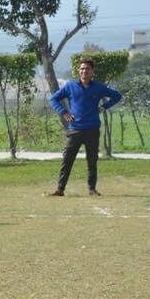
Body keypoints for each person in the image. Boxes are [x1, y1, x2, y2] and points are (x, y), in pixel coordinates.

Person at [48, 57, 122, 197]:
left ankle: (92, 190)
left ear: (92, 71)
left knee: (92, 161)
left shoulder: (98, 87)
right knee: (67, 160)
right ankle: (60, 189)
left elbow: (117, 96)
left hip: (92, 129)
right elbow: (53, 99)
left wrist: (104, 107)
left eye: (87, 69)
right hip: (75, 129)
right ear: (78, 71)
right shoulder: (70, 86)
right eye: (82, 68)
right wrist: (63, 112)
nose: (84, 71)